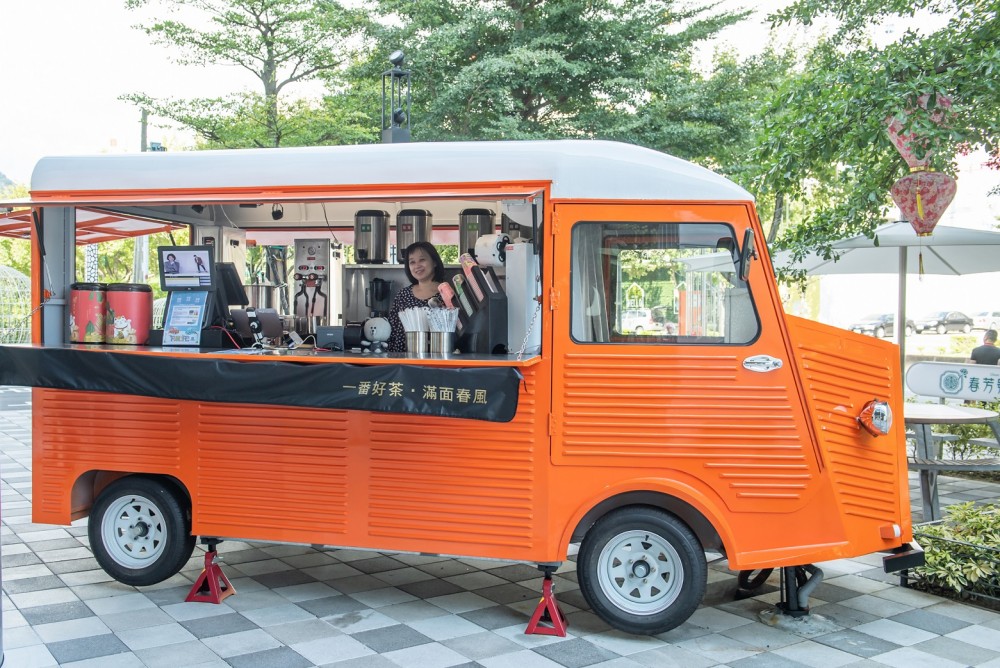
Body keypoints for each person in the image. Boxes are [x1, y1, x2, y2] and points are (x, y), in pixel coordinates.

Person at [387, 241, 446, 352]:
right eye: (412, 262)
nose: (417, 265)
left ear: (434, 262)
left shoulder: (446, 294)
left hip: (437, 357)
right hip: (402, 357)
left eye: (422, 260)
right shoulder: (403, 295)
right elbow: (392, 331)